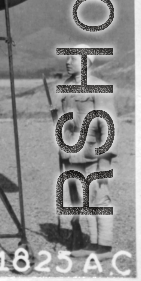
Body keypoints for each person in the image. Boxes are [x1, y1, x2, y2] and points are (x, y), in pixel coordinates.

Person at [58, 46, 117, 261]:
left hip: (95, 152)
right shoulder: (67, 87)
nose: (68, 61)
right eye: (68, 57)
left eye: (73, 58)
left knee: (100, 198)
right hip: (74, 152)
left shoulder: (99, 87)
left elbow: (108, 125)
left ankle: (105, 246)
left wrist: (105, 159)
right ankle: (92, 244)